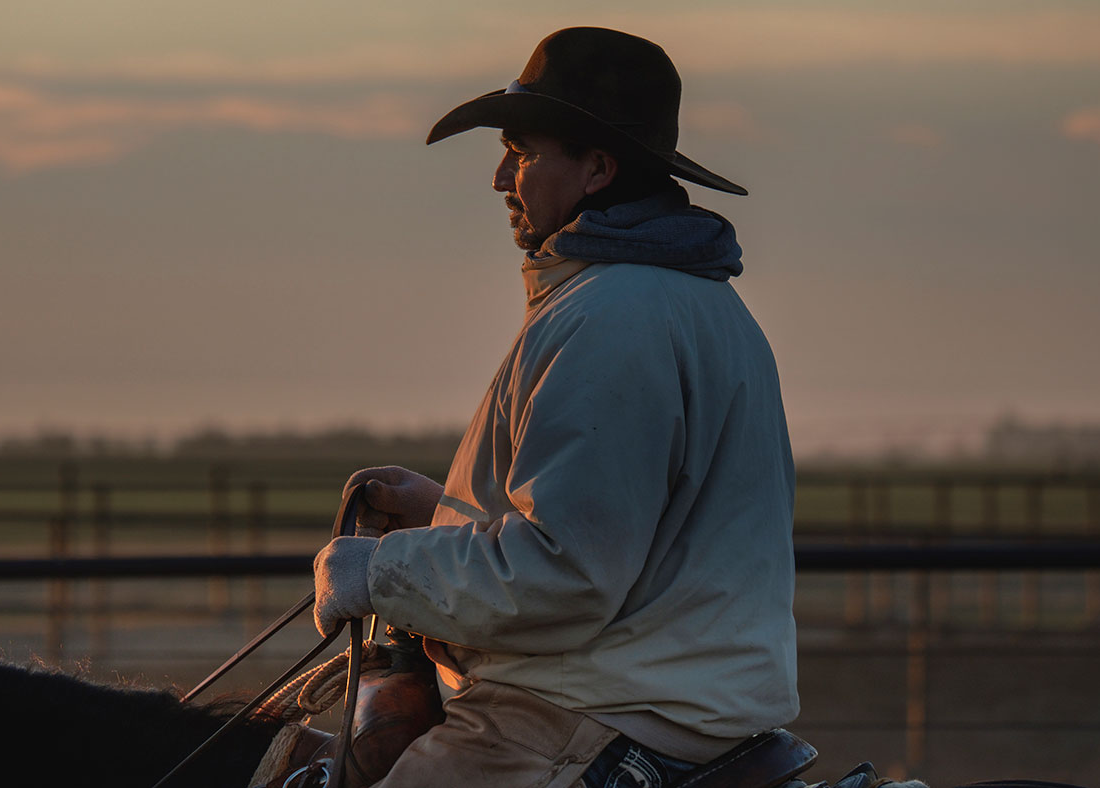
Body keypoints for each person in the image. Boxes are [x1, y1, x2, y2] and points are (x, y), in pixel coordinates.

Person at [312, 27, 799, 788]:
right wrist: (450, 510)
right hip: (667, 698)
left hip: (587, 713)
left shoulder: (612, 318)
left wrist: (379, 571)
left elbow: (566, 573)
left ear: (597, 169)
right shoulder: (699, 307)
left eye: (523, 151)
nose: (502, 178)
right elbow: (622, 531)